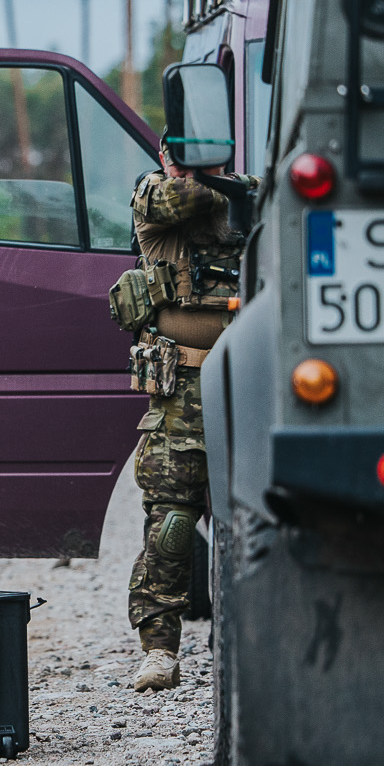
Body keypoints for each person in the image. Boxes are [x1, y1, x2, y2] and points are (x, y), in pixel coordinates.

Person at [124, 145, 257, 692]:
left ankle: (261, 638)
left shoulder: (247, 194)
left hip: (253, 378)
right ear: (162, 154)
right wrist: (217, 176)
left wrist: (234, 180)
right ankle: (160, 649)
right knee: (173, 522)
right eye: (179, 152)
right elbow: (178, 196)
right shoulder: (155, 195)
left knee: (260, 514)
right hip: (184, 389)